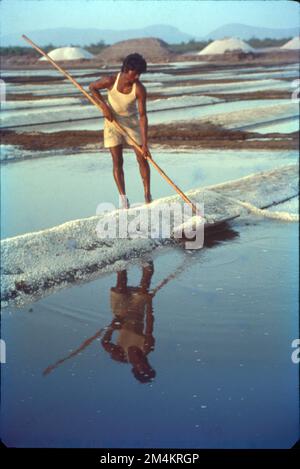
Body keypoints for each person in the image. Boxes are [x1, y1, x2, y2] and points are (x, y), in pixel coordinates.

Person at [89, 53, 152, 209]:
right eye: (135, 73)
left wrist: (145, 144)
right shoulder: (111, 81)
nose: (137, 76)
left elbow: (143, 116)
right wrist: (104, 107)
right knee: (117, 162)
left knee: (142, 159)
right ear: (126, 69)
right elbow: (92, 88)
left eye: (140, 74)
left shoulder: (139, 89)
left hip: (131, 124)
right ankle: (123, 199)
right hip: (112, 122)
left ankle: (147, 194)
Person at [101, 263, 156, 383]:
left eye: (144, 368)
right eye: (149, 367)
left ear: (135, 369)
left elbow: (104, 343)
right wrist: (149, 301)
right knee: (147, 276)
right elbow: (149, 322)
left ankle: (121, 257)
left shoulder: (120, 355)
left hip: (121, 314)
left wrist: (112, 326)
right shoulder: (148, 347)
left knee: (121, 285)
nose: (146, 365)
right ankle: (146, 254)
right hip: (138, 311)